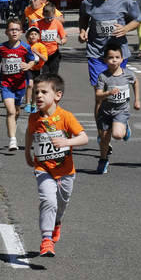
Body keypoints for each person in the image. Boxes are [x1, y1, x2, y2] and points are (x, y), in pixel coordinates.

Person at [24, 74, 88, 257]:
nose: (38, 96)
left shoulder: (66, 117)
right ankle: (46, 240)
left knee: (61, 203)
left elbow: (84, 137)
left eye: (44, 92)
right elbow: (30, 133)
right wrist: (27, 151)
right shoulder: (33, 118)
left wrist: (67, 142)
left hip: (66, 171)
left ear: (57, 95)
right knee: (48, 200)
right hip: (43, 168)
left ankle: (57, 222)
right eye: (36, 92)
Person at [78, 0, 141, 87]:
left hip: (117, 54)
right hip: (96, 52)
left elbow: (137, 19)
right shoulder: (88, 2)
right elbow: (83, 17)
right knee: (99, 88)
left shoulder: (126, 1)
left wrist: (125, 29)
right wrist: (82, 31)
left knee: (116, 88)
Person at [94, 43, 141, 174]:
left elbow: (136, 82)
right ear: (105, 60)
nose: (114, 60)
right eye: (110, 57)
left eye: (117, 57)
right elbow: (98, 95)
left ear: (122, 59)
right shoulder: (103, 76)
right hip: (105, 112)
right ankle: (103, 160)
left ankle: (124, 127)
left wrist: (137, 100)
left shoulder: (128, 74)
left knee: (117, 135)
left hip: (121, 110)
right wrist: (107, 93)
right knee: (104, 139)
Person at [0, 18, 36, 150]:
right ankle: (13, 140)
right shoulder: (2, 47)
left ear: (21, 32)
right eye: (11, 29)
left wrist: (27, 65)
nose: (14, 32)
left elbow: (32, 61)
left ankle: (11, 125)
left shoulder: (25, 47)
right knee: (11, 111)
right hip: (6, 84)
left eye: (17, 30)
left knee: (16, 112)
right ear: (6, 32)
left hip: (20, 84)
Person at [35, 3, 66, 75]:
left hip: (54, 54)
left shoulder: (57, 23)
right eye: (47, 18)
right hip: (42, 54)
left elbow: (64, 37)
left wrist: (61, 41)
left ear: (55, 15)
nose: (49, 20)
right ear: (43, 14)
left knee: (54, 75)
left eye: (51, 18)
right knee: (45, 75)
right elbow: (32, 37)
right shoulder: (37, 24)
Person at [23, 26, 49, 113]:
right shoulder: (25, 46)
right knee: (30, 85)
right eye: (31, 34)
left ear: (38, 37)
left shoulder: (41, 46)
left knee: (36, 87)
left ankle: (33, 104)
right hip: (28, 68)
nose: (33, 36)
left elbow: (45, 59)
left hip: (38, 69)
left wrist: (36, 52)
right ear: (27, 36)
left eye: (35, 34)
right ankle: (27, 104)